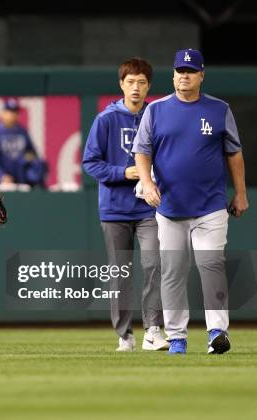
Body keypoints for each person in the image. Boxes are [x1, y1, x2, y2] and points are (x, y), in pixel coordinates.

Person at [133, 49, 248, 355]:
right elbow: (142, 151)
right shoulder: (155, 111)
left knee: (211, 266)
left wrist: (241, 193)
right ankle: (177, 337)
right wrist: (146, 182)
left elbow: (234, 153)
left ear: (201, 76)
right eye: (179, 71)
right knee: (172, 271)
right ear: (173, 75)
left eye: (190, 71)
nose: (184, 76)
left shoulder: (218, 109)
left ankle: (216, 333)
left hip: (210, 208)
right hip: (169, 209)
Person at [83, 58, 168, 352]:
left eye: (142, 83)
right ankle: (125, 335)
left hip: (150, 207)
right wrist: (124, 172)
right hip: (115, 210)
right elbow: (90, 163)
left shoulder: (158, 116)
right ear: (121, 85)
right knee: (120, 274)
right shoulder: (105, 120)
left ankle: (153, 330)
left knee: (154, 265)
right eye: (131, 82)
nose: (136, 88)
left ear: (149, 87)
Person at [0, 98, 48, 188]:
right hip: (2, 180)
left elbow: (31, 152)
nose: (13, 115)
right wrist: (1, 175)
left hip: (20, 178)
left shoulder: (22, 131)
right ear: (3, 113)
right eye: (10, 111)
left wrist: (28, 159)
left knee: (39, 166)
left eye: (15, 112)